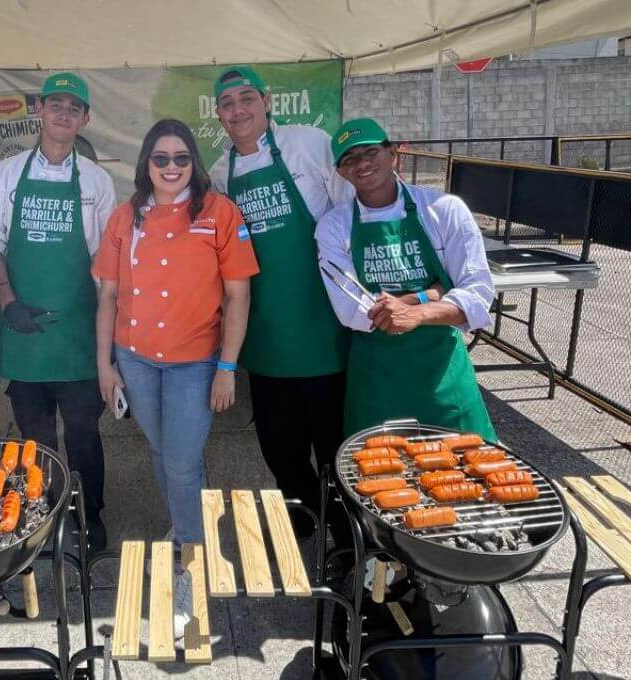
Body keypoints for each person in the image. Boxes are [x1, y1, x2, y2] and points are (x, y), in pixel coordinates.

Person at [93, 119, 257, 634]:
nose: (170, 167)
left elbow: (238, 296)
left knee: (182, 463)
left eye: (181, 158)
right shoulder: (125, 217)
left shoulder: (219, 213)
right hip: (136, 359)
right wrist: (104, 364)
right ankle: (186, 529)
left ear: (194, 163)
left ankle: (192, 563)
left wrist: (227, 367)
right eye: (160, 158)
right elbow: (108, 296)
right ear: (146, 163)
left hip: (195, 362)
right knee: (163, 452)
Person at [209, 66, 354, 537]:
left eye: (247, 98)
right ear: (218, 115)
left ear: (266, 101)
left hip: (321, 327)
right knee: (279, 445)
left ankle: (345, 533)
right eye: (227, 103)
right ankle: (305, 516)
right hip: (265, 332)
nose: (238, 110)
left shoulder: (309, 144)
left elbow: (348, 216)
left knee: (333, 444)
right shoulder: (220, 173)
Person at [0, 72, 116, 550]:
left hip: (78, 330)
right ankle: (45, 509)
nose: (63, 113)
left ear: (85, 119)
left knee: (83, 429)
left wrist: (110, 334)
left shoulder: (97, 181)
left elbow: (106, 262)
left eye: (73, 107)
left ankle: (89, 512)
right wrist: (7, 302)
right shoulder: (7, 173)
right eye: (55, 104)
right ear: (38, 110)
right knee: (34, 432)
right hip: (25, 329)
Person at [316, 117, 497, 440]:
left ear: (394, 153)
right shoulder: (333, 226)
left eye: (371, 152)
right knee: (375, 466)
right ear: (341, 173)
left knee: (468, 465)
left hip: (444, 375)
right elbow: (351, 309)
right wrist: (433, 292)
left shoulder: (445, 210)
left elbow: (478, 293)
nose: (362, 164)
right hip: (376, 378)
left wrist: (418, 312)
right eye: (350, 159)